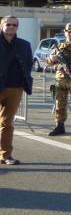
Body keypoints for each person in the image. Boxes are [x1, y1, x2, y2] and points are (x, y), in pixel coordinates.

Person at [0, 15, 33, 165]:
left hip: (15, 88)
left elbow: (28, 64)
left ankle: (5, 155)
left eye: (14, 25)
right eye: (8, 24)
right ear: (2, 25)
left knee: (7, 122)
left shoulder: (24, 45)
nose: (11, 27)